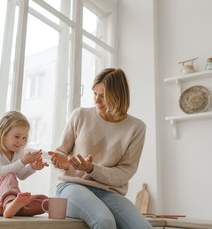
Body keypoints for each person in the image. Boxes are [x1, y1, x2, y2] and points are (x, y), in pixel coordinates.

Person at [48, 68, 153, 229]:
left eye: (103, 96)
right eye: (95, 94)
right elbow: (62, 151)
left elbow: (125, 172)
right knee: (104, 221)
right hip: (71, 186)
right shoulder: (79, 115)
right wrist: (60, 160)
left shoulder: (136, 128)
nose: (97, 100)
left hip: (109, 192)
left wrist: (92, 169)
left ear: (118, 95)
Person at [0, 110, 49, 218]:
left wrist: (32, 167)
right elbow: (0, 172)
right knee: (8, 176)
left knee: (44, 200)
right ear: (1, 133)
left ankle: (8, 207)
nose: (20, 142)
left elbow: (20, 175)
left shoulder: (18, 152)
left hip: (4, 199)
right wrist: (23, 162)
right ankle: (11, 205)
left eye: (24, 138)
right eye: (17, 136)